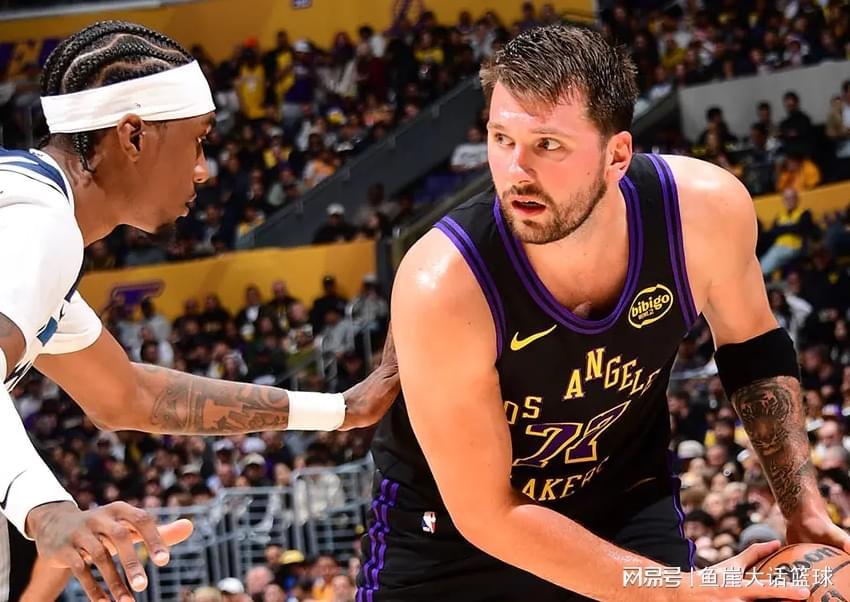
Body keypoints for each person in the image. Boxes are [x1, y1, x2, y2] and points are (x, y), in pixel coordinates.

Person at [359, 25, 845, 601]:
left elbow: (753, 351)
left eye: (548, 145)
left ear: (616, 155)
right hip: (450, 538)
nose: (516, 171)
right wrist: (674, 591)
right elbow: (489, 513)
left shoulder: (702, 213)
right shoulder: (443, 283)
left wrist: (802, 507)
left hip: (622, 504)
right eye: (501, 139)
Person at [0, 21, 399, 602]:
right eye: (198, 140)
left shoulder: (32, 214)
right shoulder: (37, 223)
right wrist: (48, 510)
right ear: (133, 136)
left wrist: (342, 410)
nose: (203, 169)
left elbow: (129, 396)